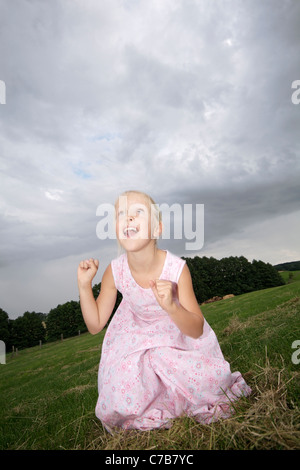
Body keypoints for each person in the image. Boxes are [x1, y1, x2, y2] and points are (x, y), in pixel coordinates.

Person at [77, 190, 251, 432]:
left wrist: (172, 306)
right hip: (134, 339)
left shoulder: (176, 269)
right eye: (121, 215)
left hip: (176, 334)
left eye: (138, 212)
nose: (128, 219)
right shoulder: (114, 271)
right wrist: (85, 286)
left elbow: (196, 328)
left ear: (157, 228)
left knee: (201, 380)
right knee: (123, 385)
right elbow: (95, 325)